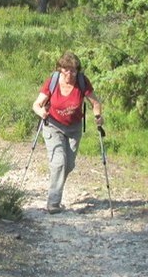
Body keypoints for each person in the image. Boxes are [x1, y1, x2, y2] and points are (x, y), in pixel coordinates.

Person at [30, 51, 104, 214]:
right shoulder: (53, 81)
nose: (69, 74)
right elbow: (36, 104)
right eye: (66, 70)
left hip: (74, 128)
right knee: (59, 163)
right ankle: (53, 203)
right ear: (60, 69)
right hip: (53, 126)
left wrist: (98, 116)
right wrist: (41, 112)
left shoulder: (82, 82)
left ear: (77, 71)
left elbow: (95, 102)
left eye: (73, 70)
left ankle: (56, 185)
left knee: (68, 165)